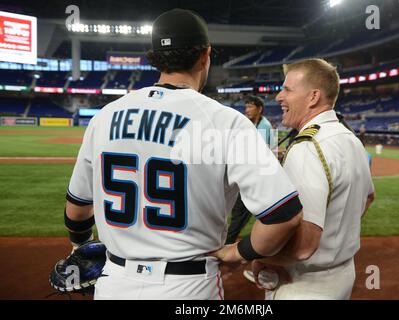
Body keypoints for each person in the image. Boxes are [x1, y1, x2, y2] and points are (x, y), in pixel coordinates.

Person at [61, 8, 303, 300]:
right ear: (205, 55)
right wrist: (238, 252)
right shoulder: (226, 121)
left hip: (114, 283)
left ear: (154, 58)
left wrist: (81, 247)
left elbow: (77, 211)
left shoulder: (104, 117)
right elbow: (284, 215)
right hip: (189, 286)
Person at [241, 58, 375, 299]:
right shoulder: (351, 139)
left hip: (303, 284)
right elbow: (369, 197)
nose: (279, 97)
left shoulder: (307, 147)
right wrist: (335, 236)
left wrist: (258, 256)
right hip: (341, 274)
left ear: (313, 97)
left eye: (287, 89)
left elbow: (303, 247)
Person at [225, 95, 274, 245]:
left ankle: (228, 244)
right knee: (240, 212)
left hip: (256, 176)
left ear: (259, 109)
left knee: (240, 213)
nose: (247, 109)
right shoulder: (252, 123)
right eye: (246, 106)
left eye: (250, 106)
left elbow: (255, 153)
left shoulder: (264, 126)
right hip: (250, 174)